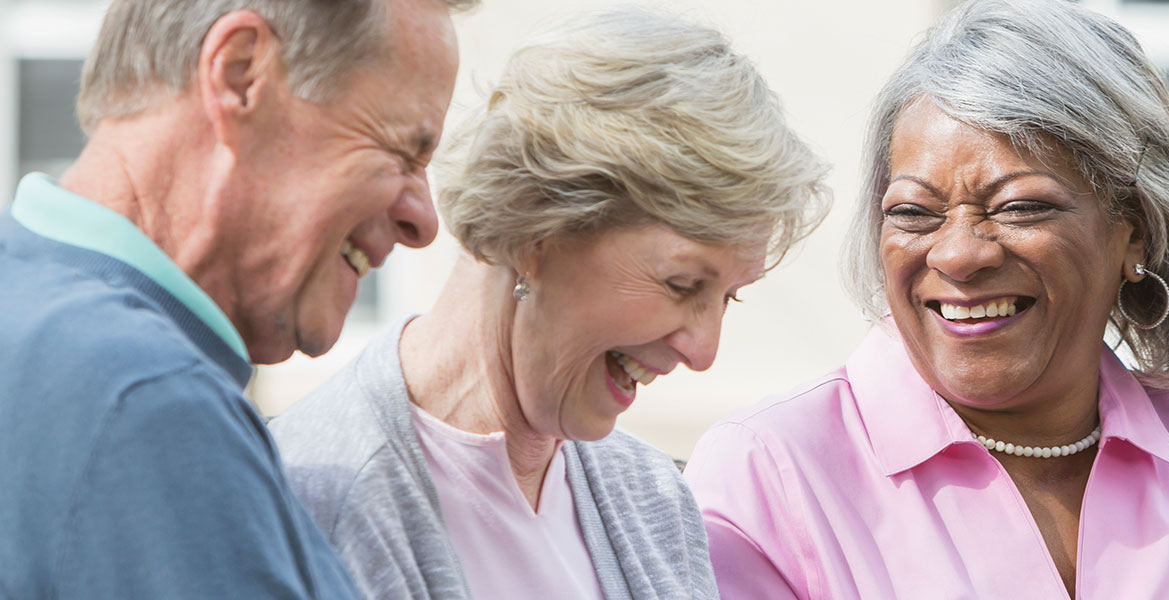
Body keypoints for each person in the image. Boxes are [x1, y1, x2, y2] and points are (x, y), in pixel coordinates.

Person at [683, 1, 1169, 597]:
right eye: (914, 213)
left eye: (1020, 207)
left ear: (1137, 230)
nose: (958, 255)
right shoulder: (769, 473)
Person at [266, 6, 829, 600]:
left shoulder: (653, 496)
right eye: (682, 284)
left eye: (729, 297)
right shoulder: (312, 501)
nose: (703, 351)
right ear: (534, 227)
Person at [0, 0, 469, 596]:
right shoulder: (148, 404)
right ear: (242, 75)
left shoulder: (36, 317)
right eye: (403, 151)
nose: (424, 221)